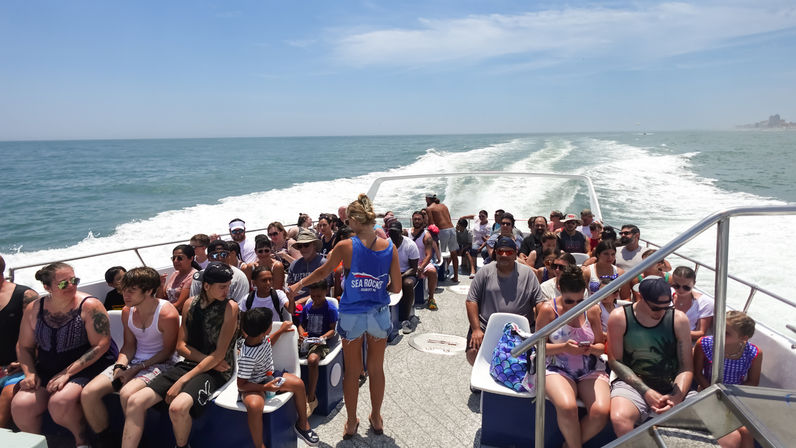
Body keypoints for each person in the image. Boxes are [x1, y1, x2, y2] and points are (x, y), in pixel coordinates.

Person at [289, 194, 401, 439]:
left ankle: (351, 422)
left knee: (352, 371)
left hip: (352, 314)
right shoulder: (390, 247)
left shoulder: (345, 246)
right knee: (376, 368)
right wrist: (378, 285)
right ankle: (377, 417)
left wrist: (299, 287)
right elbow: (397, 288)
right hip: (379, 314)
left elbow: (323, 271)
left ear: (352, 220)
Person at [122, 262, 239, 448]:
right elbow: (180, 346)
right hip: (192, 364)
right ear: (206, 286)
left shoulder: (230, 308)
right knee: (135, 401)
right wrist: (202, 361)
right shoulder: (189, 304)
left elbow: (219, 355)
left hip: (218, 371)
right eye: (222, 287)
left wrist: (182, 381)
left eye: (228, 285)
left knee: (178, 407)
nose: (227, 290)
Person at [12, 262, 117, 446]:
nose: (72, 286)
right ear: (47, 287)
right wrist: (30, 374)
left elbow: (101, 345)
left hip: (88, 365)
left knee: (60, 402)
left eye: (74, 280)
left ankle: (82, 441)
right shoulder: (34, 309)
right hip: (48, 366)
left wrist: (67, 373)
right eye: (63, 283)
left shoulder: (90, 305)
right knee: (21, 405)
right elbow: (24, 347)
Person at [81, 267, 180, 448]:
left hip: (161, 362)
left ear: (149, 290)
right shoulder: (128, 311)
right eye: (124, 290)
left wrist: (136, 368)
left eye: (131, 291)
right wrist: (120, 366)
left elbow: (168, 352)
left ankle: (136, 443)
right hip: (134, 362)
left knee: (127, 393)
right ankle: (106, 440)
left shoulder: (166, 314)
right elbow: (128, 346)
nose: (125, 295)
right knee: (88, 393)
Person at [607, 277, 693, 437]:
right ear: (640, 297)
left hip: (673, 384)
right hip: (633, 382)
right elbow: (615, 361)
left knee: (727, 436)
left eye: (666, 307)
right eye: (655, 308)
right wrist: (645, 391)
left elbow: (686, 367)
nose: (661, 313)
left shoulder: (679, 320)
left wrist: (677, 397)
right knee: (620, 419)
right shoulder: (619, 318)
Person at [535, 265, 609, 448]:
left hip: (589, 368)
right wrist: (565, 347)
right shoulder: (547, 310)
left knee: (601, 412)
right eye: (569, 301)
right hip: (556, 367)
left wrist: (591, 348)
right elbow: (538, 346)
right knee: (568, 408)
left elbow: (601, 347)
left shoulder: (592, 309)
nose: (575, 307)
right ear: (559, 288)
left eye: (579, 301)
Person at [237, 307, 320, 447]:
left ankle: (303, 424)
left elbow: (270, 342)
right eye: (270, 323)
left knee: (298, 384)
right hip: (252, 385)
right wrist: (263, 387)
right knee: (254, 406)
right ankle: (259, 445)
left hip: (269, 377)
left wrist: (281, 330)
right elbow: (241, 384)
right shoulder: (246, 356)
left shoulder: (261, 338)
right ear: (264, 330)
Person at [465, 236, 543, 366]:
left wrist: (540, 331)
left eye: (509, 252)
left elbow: (540, 303)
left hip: (521, 329)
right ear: (495, 253)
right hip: (487, 325)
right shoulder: (484, 272)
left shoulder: (528, 274)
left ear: (515, 254)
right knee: (473, 351)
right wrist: (476, 329)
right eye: (500, 251)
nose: (505, 255)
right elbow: (471, 300)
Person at [693, 311, 762, 448]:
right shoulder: (705, 344)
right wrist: (714, 393)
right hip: (707, 392)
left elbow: (753, 382)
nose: (719, 334)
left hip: (735, 396)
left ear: (743, 338)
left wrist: (730, 398)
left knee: (746, 432)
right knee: (734, 435)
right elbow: (697, 373)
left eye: (726, 333)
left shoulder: (754, 353)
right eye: (718, 328)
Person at [0, 255, 38, 428]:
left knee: (7, 395)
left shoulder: (25, 296)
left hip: (20, 368)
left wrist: (25, 362)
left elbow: (41, 336)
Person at [297, 280, 339, 416]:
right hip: (306, 340)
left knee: (313, 360)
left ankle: (311, 397)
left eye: (319, 296)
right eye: (313, 296)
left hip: (321, 343)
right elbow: (300, 324)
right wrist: (301, 334)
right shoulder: (308, 307)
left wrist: (322, 338)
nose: (315, 299)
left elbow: (333, 330)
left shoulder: (330, 309)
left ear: (325, 292)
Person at [189, 240, 250, 304]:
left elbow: (240, 306)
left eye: (223, 254)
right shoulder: (199, 277)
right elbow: (193, 303)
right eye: (214, 255)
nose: (220, 258)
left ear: (229, 255)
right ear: (208, 257)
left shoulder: (239, 277)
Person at [390, 220, 421, 331]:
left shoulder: (410, 245)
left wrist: (399, 277)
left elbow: (414, 268)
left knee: (407, 284)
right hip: (390, 272)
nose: (392, 235)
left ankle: (405, 318)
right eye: (390, 233)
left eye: (395, 232)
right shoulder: (386, 244)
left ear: (401, 232)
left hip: (407, 273)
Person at [671, 266, 714, 342]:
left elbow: (701, 333)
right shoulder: (666, 295)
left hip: (688, 342)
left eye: (686, 287)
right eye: (676, 286)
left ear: (694, 284)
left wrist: (674, 332)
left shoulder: (705, 303)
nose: (680, 290)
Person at [287, 229, 328, 308]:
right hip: (295, 307)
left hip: (317, 306)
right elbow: (290, 289)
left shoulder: (324, 264)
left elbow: (326, 291)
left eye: (306, 245)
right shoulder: (294, 265)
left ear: (314, 245)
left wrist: (299, 302)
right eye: (300, 246)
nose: (302, 249)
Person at [425, 193, 459, 282]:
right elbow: (449, 218)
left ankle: (439, 277)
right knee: (454, 254)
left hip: (442, 231)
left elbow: (432, 225)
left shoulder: (429, 209)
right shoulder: (444, 206)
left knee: (439, 255)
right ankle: (455, 276)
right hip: (452, 229)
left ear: (428, 199)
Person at [410, 211, 439, 310]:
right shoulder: (406, 233)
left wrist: (421, 267)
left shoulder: (427, 236)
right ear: (412, 220)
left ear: (423, 220)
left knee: (432, 271)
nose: (417, 221)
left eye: (419, 219)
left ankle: (431, 298)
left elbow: (429, 255)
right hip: (409, 262)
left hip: (422, 262)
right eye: (415, 219)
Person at [159, 244, 198, 313]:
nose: (175, 261)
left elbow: (179, 304)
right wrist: (161, 285)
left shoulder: (193, 276)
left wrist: (158, 311)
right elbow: (163, 298)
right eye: (173, 258)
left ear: (191, 258)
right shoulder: (175, 273)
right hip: (169, 309)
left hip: (180, 314)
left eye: (180, 258)